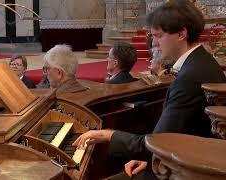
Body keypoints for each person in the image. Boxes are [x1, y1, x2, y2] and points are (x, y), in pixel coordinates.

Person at [73, 0, 226, 179]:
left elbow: (160, 142)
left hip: (193, 168)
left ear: (181, 34)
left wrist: (107, 134)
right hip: (193, 153)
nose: (154, 43)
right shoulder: (203, 61)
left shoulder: (188, 78)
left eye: (158, 35)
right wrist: (151, 157)